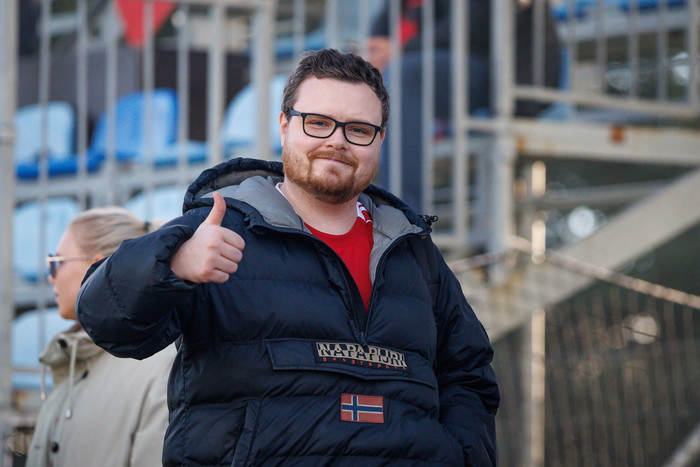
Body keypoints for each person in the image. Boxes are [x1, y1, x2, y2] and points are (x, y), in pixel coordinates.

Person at [76, 49, 499, 466]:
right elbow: (105, 320)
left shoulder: (414, 250)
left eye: (359, 129)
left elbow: (469, 374)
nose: (337, 141)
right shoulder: (215, 230)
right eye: (318, 123)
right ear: (284, 125)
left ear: (380, 140)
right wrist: (173, 266)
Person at [368, 0, 562, 211]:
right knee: (361, 82)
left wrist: (402, 48)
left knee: (404, 76)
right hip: (465, 66)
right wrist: (374, 54)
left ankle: (402, 214)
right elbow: (382, 30)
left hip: (512, 75)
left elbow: (473, 26)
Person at [25, 207, 175, 467]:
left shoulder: (161, 366)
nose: (50, 277)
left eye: (56, 262)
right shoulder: (76, 357)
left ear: (97, 266)